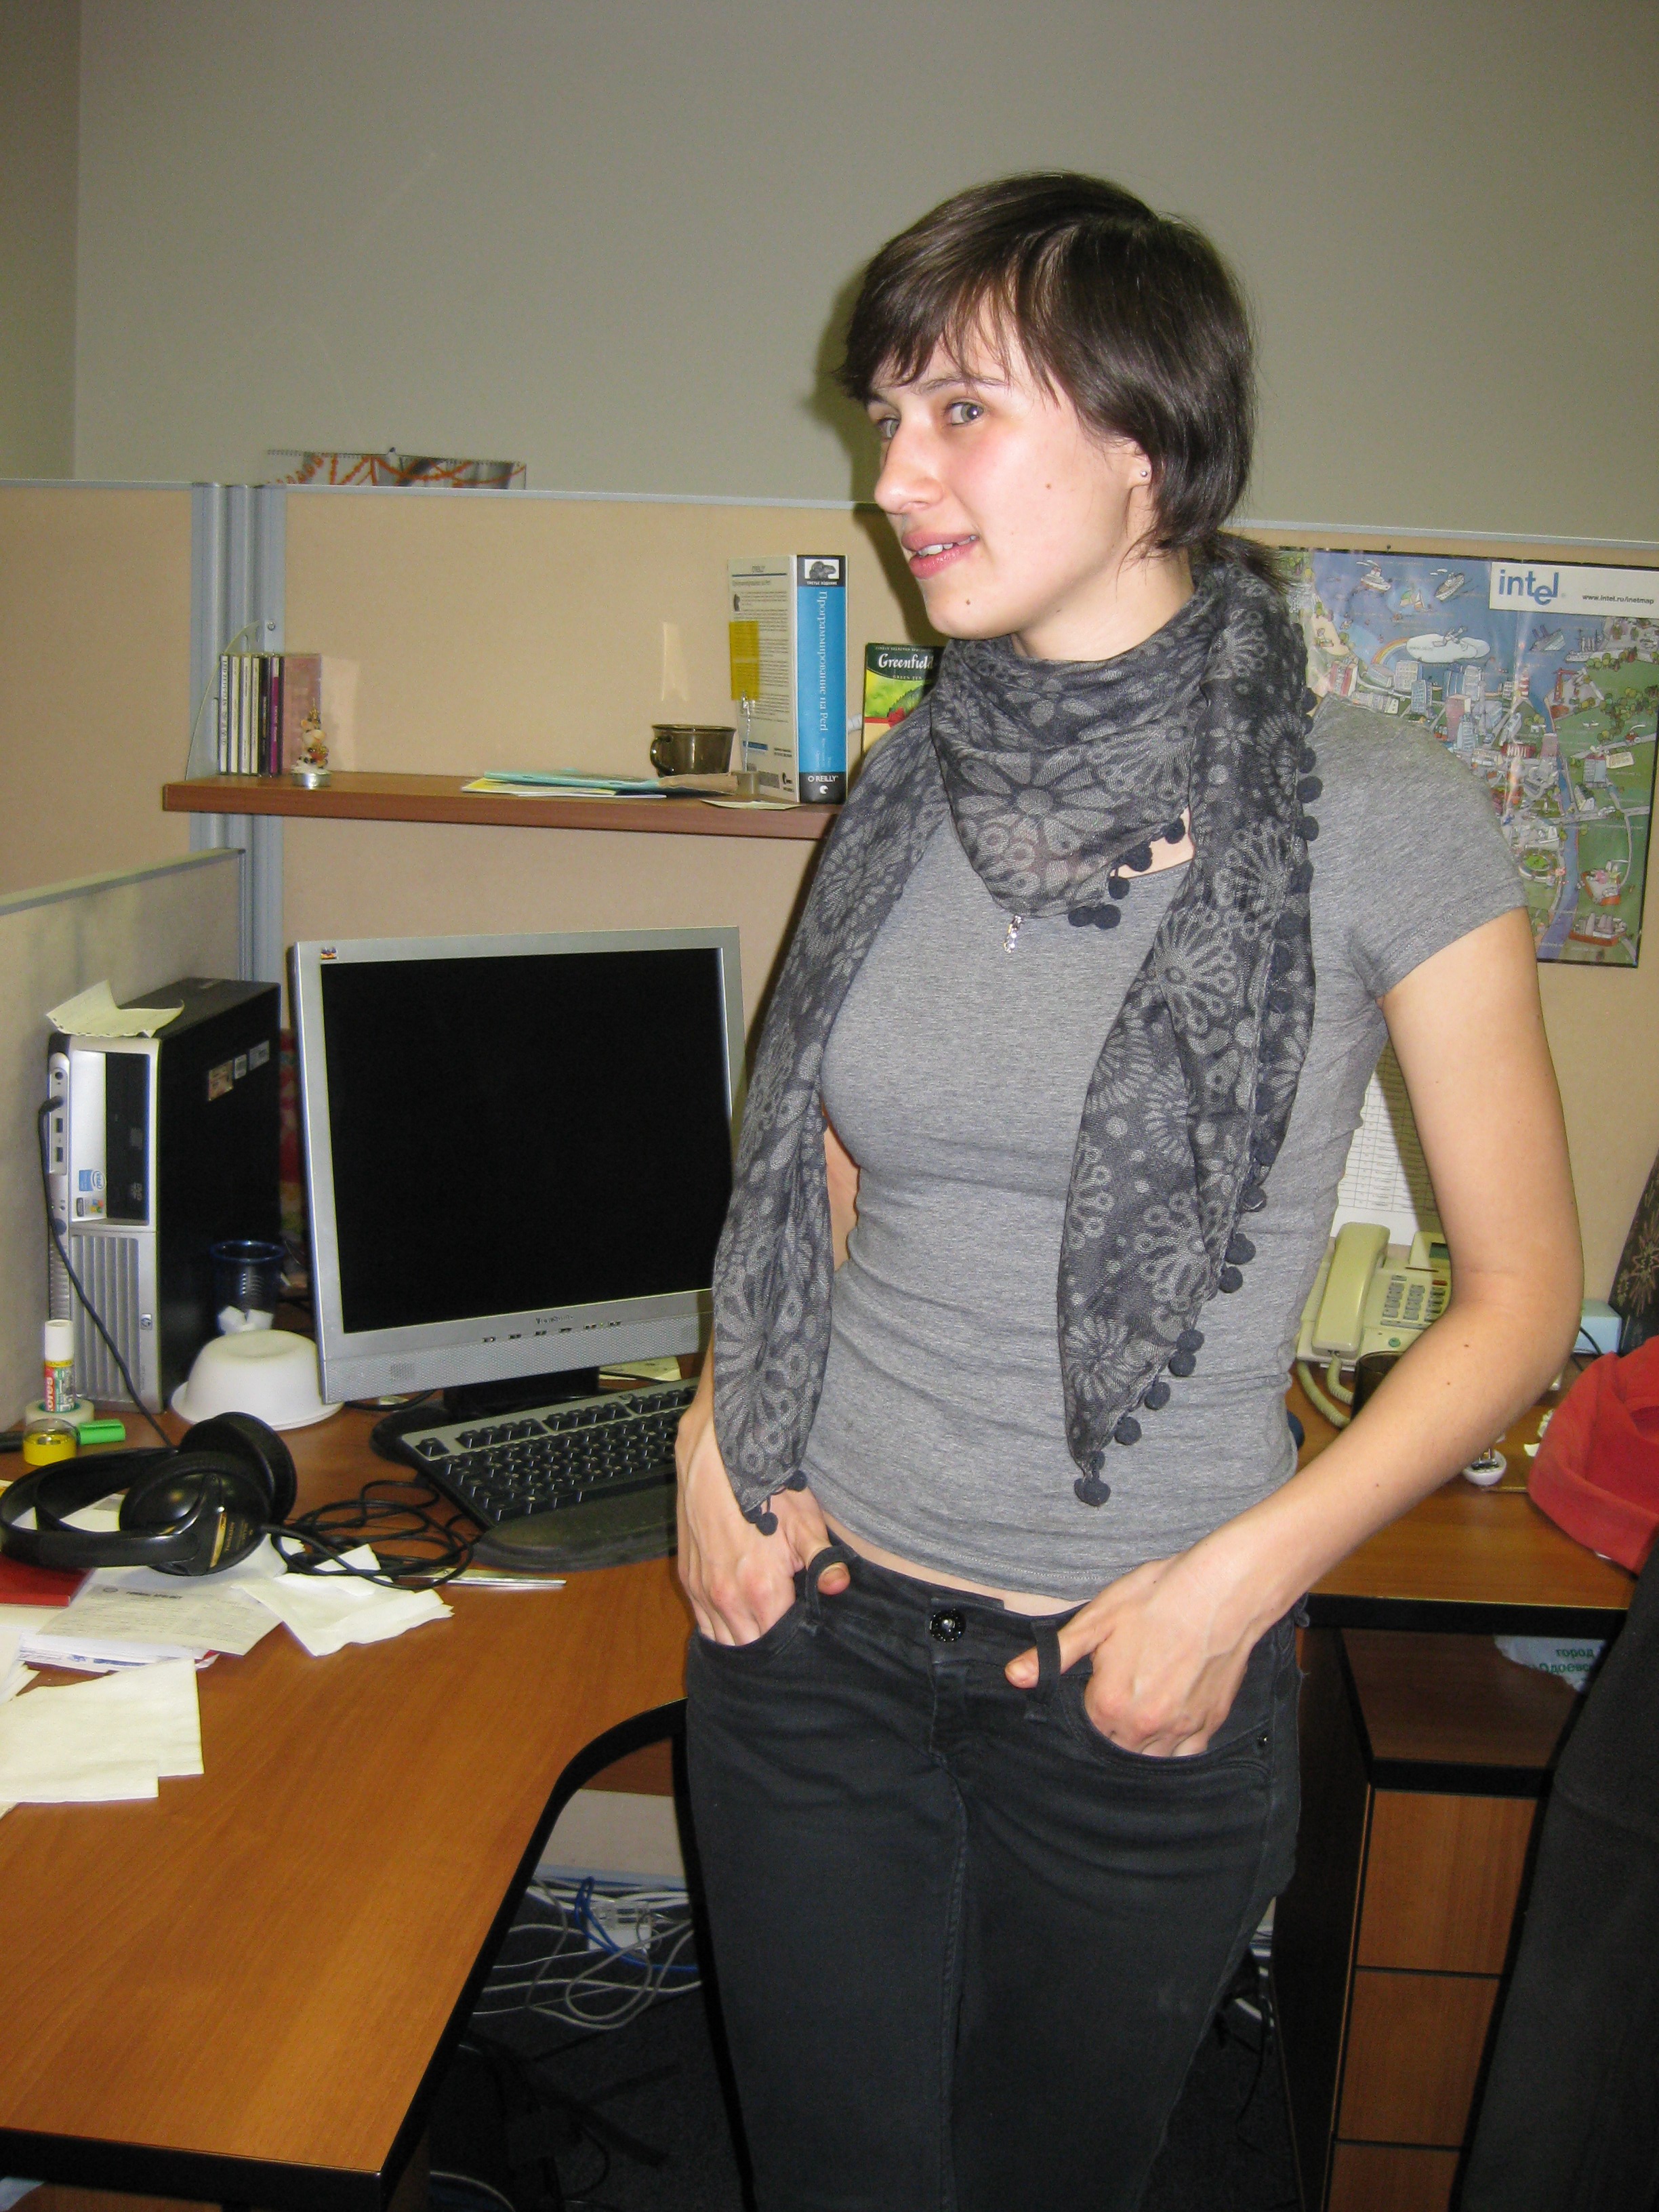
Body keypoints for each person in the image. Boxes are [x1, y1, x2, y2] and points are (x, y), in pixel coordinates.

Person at [674, 172, 1580, 2212]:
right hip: (814, 1645)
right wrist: (722, 1425)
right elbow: (813, 1160)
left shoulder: (1382, 812)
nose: (893, 478)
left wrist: (1235, 1589)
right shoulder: (901, 786)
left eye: (960, 412)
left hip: (1133, 1678)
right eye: (887, 417)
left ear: (1147, 445)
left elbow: (1524, 1295)